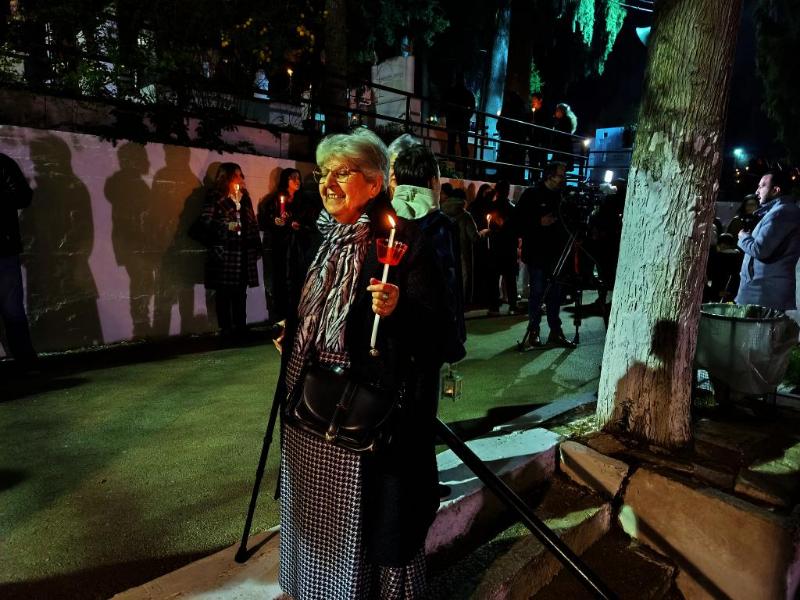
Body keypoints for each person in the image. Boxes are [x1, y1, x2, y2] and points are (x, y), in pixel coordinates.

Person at [277, 128, 450, 599]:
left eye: (342, 172)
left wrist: (398, 310)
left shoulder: (403, 240)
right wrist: (295, 329)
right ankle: (313, 589)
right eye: (323, 172)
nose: (328, 183)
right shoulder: (320, 237)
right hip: (305, 403)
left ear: (375, 183)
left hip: (362, 413)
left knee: (365, 516)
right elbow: (310, 305)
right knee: (312, 511)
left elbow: (440, 334)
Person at [514, 161, 576, 348]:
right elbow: (517, 221)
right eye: (560, 175)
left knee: (555, 295)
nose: (564, 179)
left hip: (557, 254)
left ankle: (555, 331)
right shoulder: (531, 195)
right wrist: (538, 221)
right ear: (549, 176)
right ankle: (534, 331)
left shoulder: (562, 197)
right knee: (537, 293)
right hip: (537, 253)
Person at [197, 163, 260, 338]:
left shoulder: (245, 198)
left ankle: (241, 327)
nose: (241, 178)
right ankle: (226, 329)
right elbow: (206, 222)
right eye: (237, 175)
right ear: (227, 177)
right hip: (226, 254)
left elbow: (252, 223)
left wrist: (256, 246)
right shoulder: (216, 196)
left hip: (244, 253)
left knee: (241, 292)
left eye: (241, 174)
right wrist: (229, 225)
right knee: (224, 293)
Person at [258, 168, 316, 324]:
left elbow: (311, 224)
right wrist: (276, 222)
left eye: (298, 177)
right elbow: (265, 221)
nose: (297, 181)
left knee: (298, 282)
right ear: (285, 180)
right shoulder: (274, 201)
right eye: (293, 178)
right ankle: (281, 318)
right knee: (280, 283)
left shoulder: (304, 201)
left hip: (299, 250)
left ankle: (298, 318)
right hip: (280, 249)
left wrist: (300, 226)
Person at [736, 170, 800, 311]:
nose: (757, 191)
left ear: (775, 190)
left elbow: (760, 250)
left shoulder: (781, 213)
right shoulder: (779, 212)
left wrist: (743, 237)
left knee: (755, 327)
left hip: (763, 294)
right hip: (761, 293)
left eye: (762, 186)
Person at [0, 153, 37, 366]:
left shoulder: (3, 164)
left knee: (12, 309)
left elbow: (23, 197)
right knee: (12, 308)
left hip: (3, 249)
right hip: (5, 247)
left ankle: (26, 361)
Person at [441, 187, 481, 303]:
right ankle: (463, 302)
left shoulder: (441, 213)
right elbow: (474, 237)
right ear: (464, 200)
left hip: (446, 250)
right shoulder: (466, 216)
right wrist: (484, 233)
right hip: (462, 253)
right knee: (463, 277)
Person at [486, 180, 519, 315]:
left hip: (495, 246)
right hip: (509, 246)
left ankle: (494, 307)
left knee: (494, 278)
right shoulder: (512, 208)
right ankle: (513, 305)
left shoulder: (491, 206)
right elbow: (516, 229)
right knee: (510, 278)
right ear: (508, 191)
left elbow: (489, 225)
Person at [443, 72, 476, 158]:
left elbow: (444, 105)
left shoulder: (450, 92)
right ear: (464, 80)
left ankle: (451, 163)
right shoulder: (468, 93)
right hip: (463, 122)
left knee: (451, 145)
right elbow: (473, 107)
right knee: (463, 145)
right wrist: (467, 116)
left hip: (452, 121)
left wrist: (448, 115)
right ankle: (464, 164)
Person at [551, 102, 578, 171]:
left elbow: (562, 136)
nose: (556, 112)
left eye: (557, 111)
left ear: (562, 112)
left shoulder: (564, 121)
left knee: (559, 167)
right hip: (562, 149)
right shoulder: (561, 121)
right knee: (559, 168)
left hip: (562, 149)